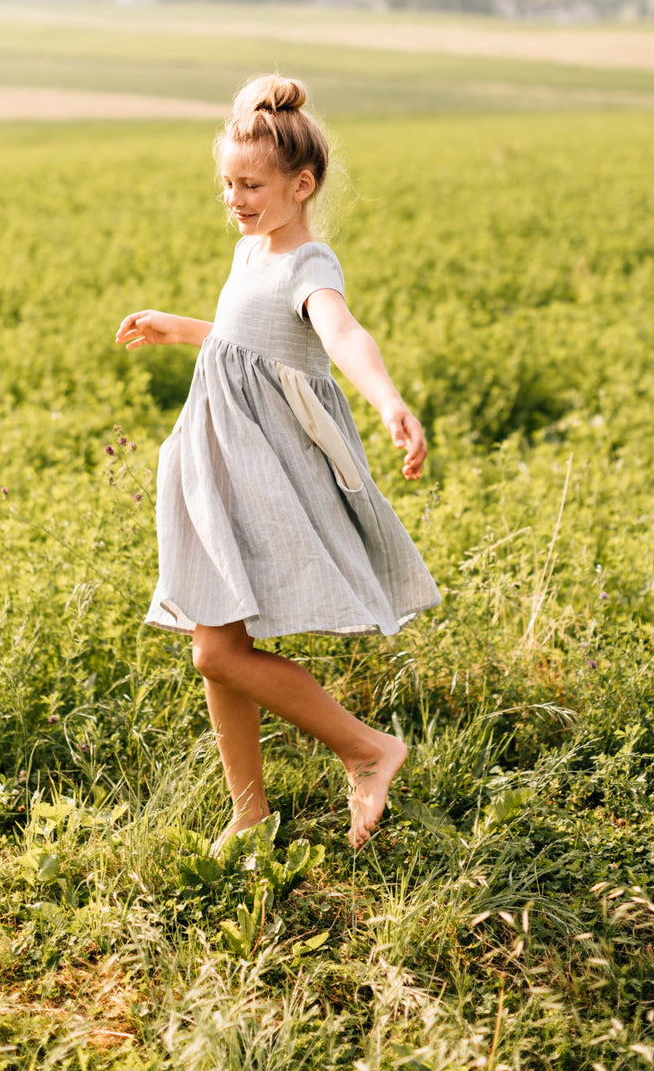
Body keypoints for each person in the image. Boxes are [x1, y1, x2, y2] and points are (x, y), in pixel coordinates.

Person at [115, 75, 441, 849]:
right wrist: (180, 326)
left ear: (303, 185)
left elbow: (341, 334)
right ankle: (249, 812)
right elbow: (245, 341)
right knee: (216, 651)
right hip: (214, 460)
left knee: (217, 648)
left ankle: (367, 748)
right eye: (228, 182)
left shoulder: (308, 263)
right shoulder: (249, 249)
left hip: (263, 471)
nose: (235, 196)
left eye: (251, 184)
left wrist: (388, 397)